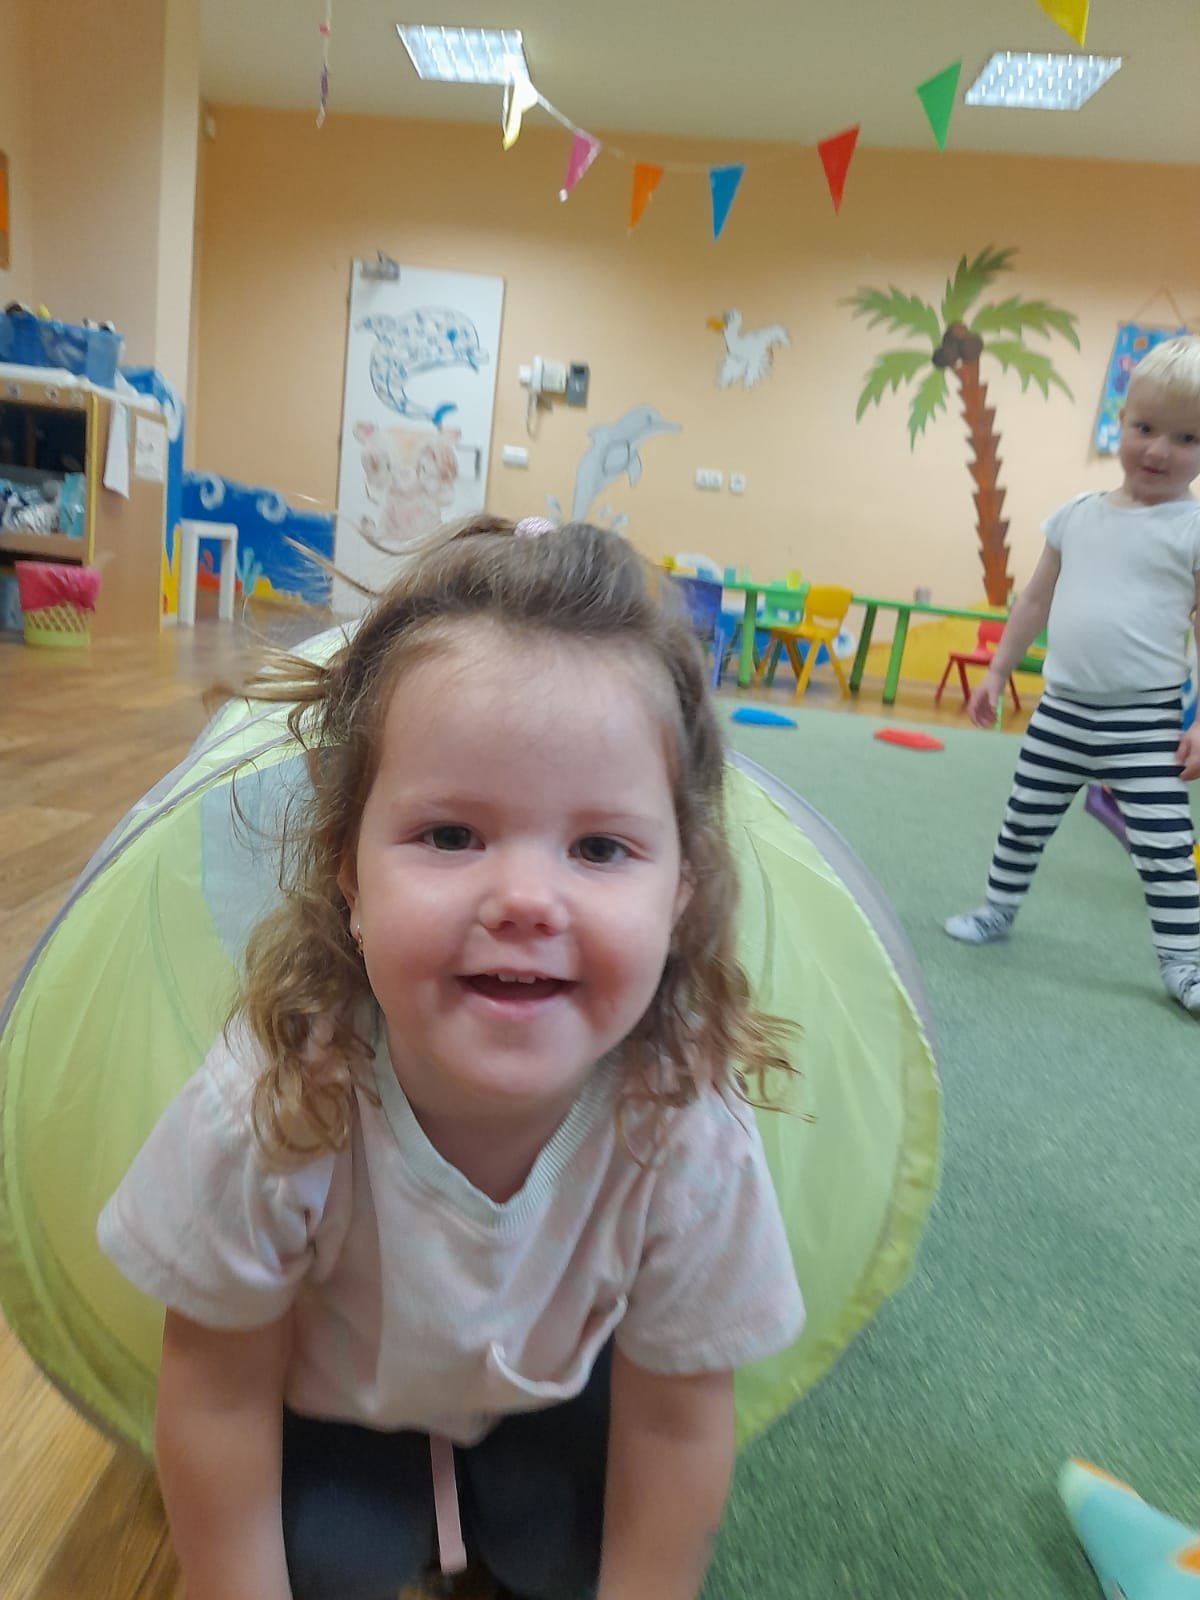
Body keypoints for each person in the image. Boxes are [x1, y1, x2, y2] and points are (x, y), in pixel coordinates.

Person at [97, 514, 805, 1600]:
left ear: (682, 890)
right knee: (314, 1562)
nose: (524, 899)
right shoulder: (278, 1099)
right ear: (347, 866)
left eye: (599, 847)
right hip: (334, 1405)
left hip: (549, 1401)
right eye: (451, 835)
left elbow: (675, 1420)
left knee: (584, 1558)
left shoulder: (682, 1123)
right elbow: (217, 1392)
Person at [945, 334, 1200, 1018]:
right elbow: (1034, 600)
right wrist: (998, 670)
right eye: (1145, 428)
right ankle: (998, 909)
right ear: (1122, 421)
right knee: (1023, 820)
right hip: (1061, 711)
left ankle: (1185, 962)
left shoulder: (1193, 528)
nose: (1159, 450)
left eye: (1187, 438)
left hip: (1144, 723)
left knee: (1165, 848)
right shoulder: (1076, 516)